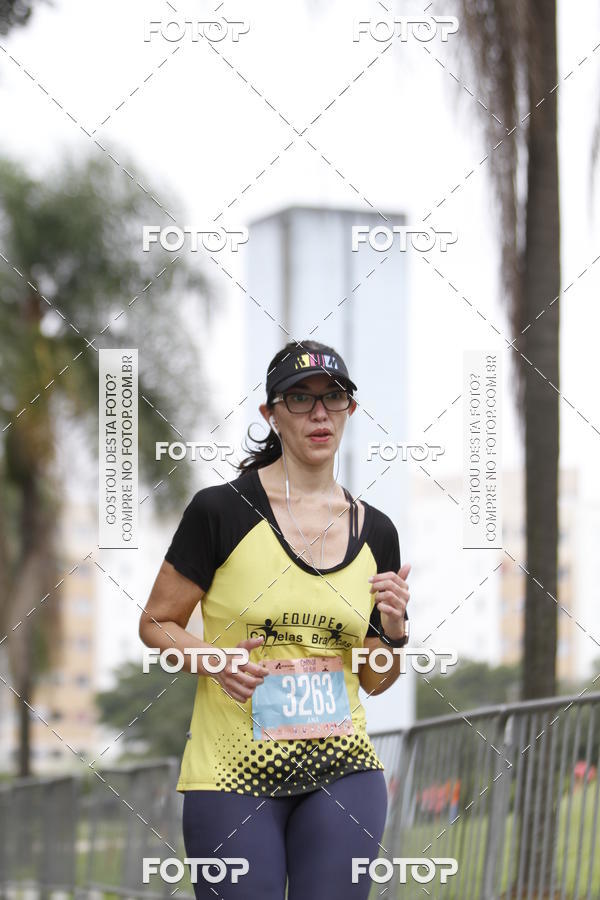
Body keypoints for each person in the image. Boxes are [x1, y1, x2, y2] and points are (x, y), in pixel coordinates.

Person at [139, 338, 412, 899]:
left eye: (333, 397)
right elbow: (156, 623)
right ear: (271, 413)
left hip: (343, 767)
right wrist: (213, 661)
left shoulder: (377, 532)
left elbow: (374, 680)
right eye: (300, 398)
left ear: (350, 409)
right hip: (232, 772)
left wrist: (394, 632)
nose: (319, 413)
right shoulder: (220, 511)